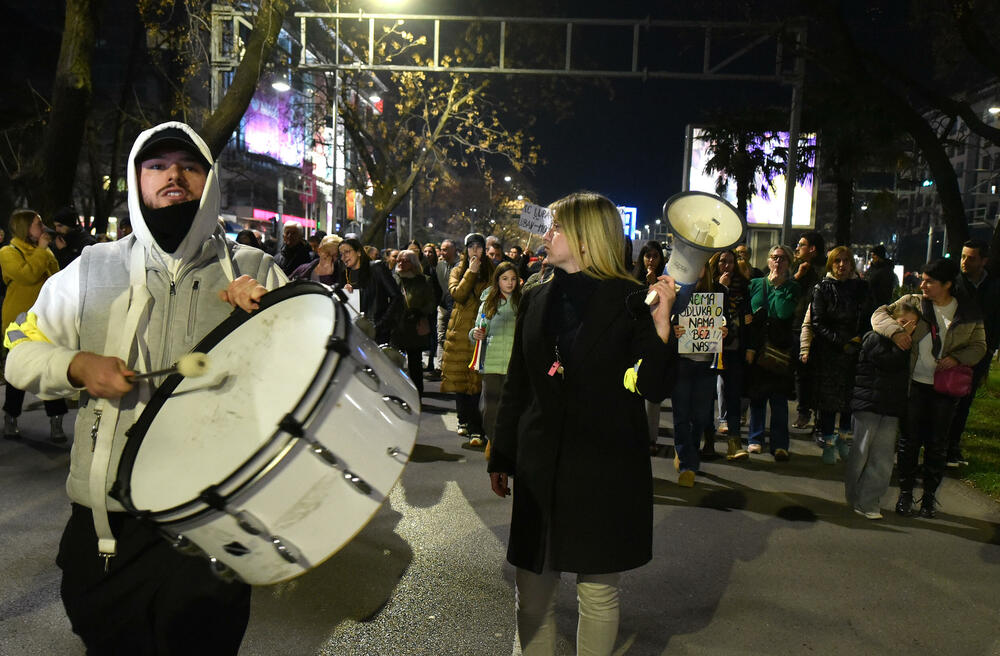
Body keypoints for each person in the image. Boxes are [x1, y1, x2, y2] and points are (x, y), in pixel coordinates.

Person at [3, 121, 285, 654]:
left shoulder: (257, 271)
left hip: (211, 520)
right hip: (109, 523)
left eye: (189, 166)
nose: (173, 175)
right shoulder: (91, 269)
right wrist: (76, 365)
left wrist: (273, 322)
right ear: (137, 181)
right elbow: (18, 349)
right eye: (156, 166)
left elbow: (313, 368)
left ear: (209, 180)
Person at [487, 191, 678, 656]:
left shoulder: (632, 300)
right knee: (532, 591)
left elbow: (653, 386)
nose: (545, 232)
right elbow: (518, 381)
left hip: (604, 464)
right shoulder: (535, 296)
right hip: (540, 464)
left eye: (556, 226)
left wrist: (662, 325)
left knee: (597, 592)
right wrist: (502, 453)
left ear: (587, 238)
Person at [872, 258, 985, 518]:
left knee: (937, 444)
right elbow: (878, 315)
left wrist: (956, 358)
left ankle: (929, 498)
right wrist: (896, 332)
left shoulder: (967, 312)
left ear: (947, 284)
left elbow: (979, 346)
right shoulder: (913, 302)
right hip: (915, 384)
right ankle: (905, 494)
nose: (922, 285)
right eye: (922, 280)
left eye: (929, 282)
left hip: (945, 388)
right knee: (909, 441)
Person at [845, 302, 919, 519]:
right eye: (902, 322)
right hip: (868, 403)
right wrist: (902, 341)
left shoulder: (906, 344)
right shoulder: (873, 338)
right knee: (860, 454)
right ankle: (854, 495)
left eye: (912, 324)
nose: (906, 328)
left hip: (891, 407)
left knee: (883, 458)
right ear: (891, 321)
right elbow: (889, 362)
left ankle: (869, 501)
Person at [1, 209, 68, 442]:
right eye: (37, 224)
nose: (43, 227)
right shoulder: (8, 252)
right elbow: (27, 275)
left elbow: (56, 280)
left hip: (46, 320)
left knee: (51, 369)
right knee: (18, 369)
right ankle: (11, 416)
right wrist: (42, 250)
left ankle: (56, 420)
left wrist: (54, 251)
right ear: (25, 228)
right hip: (19, 322)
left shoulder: (44, 250)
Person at [803, 246, 871, 464]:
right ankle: (829, 443)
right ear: (831, 264)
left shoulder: (861, 288)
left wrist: (858, 340)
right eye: (837, 261)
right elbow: (817, 321)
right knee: (829, 402)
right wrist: (840, 341)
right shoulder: (822, 288)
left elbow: (868, 316)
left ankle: (843, 439)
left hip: (855, 350)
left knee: (849, 400)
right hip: (829, 352)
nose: (842, 265)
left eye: (846, 261)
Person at [671, 265, 729, 485]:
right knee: (681, 415)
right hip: (681, 363)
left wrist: (725, 330)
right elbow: (661, 320)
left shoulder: (718, 293)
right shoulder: (677, 292)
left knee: (701, 417)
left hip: (706, 364)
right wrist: (673, 329)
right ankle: (688, 463)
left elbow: (728, 322)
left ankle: (689, 453)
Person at [745, 244, 800, 460]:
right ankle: (755, 438)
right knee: (757, 396)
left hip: (780, 348)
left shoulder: (792, 288)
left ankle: (779, 444)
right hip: (758, 346)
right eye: (774, 257)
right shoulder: (755, 284)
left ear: (789, 263)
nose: (778, 261)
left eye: (783, 258)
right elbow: (748, 311)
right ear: (768, 261)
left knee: (778, 399)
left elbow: (783, 312)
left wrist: (777, 287)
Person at [947, 239, 1000, 467]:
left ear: (983, 261)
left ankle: (952, 445)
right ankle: (939, 445)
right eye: (963, 256)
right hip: (953, 350)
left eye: (971, 258)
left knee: (965, 399)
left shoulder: (994, 287)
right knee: (947, 398)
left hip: (980, 352)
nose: (965, 262)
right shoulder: (954, 283)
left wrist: (990, 348)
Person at [441, 233, 495, 443]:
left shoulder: (491, 270)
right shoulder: (458, 270)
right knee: (460, 377)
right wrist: (471, 273)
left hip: (482, 329)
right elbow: (458, 294)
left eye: (478, 246)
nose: (475, 250)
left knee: (476, 381)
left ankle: (476, 428)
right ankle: (463, 419)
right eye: (471, 246)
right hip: (460, 331)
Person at [470, 261, 522, 449]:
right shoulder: (488, 303)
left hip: (513, 364)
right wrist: (475, 334)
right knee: (489, 407)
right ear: (497, 280)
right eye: (505, 278)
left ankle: (506, 445)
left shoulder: (522, 302)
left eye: (513, 279)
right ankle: (494, 441)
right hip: (491, 362)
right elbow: (477, 330)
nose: (510, 283)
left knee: (511, 407)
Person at [708, 249, 752, 460]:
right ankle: (708, 442)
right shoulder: (708, 286)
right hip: (710, 350)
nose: (727, 266)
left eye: (731, 262)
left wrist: (749, 346)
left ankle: (734, 443)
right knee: (706, 396)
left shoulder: (743, 287)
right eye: (723, 261)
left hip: (733, 348)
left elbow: (747, 318)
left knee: (734, 395)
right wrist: (722, 289)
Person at [338, 237, 403, 345]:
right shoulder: (344, 276)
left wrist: (381, 324)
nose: (343, 257)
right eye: (341, 254)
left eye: (347, 252)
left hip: (377, 333)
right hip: (354, 333)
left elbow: (396, 297)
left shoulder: (376, 268)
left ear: (359, 252)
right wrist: (345, 295)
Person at [791, 230, 826, 430]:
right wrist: (798, 275)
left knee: (817, 374)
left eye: (801, 245)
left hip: (819, 329)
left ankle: (819, 417)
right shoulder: (797, 268)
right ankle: (804, 412)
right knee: (801, 373)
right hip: (798, 326)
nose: (797, 248)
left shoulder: (824, 272)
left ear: (812, 249)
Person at [391, 250, 436, 398]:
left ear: (413, 263)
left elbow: (431, 303)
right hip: (397, 327)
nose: (401, 263)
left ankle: (417, 395)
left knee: (415, 364)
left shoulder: (424, 280)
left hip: (415, 326)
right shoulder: (393, 279)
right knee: (394, 363)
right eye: (399, 260)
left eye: (405, 261)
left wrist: (420, 312)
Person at [433, 238, 461, 379]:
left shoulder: (461, 266)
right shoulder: (440, 266)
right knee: (440, 336)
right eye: (442, 249)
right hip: (443, 306)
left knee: (452, 337)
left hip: (456, 306)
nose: (442, 252)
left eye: (445, 250)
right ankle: (439, 367)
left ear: (453, 250)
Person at [49, 206, 97, 270]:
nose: (57, 230)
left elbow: (82, 266)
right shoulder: (59, 240)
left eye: (60, 226)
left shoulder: (86, 242)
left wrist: (63, 251)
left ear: (70, 225)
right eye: (55, 226)